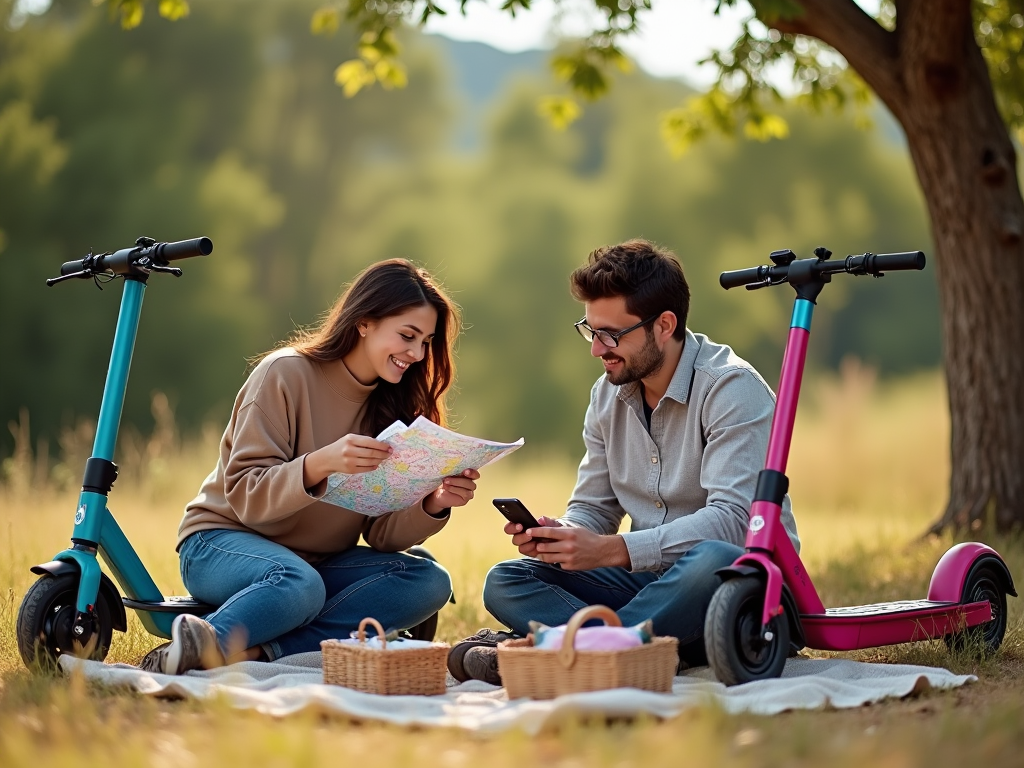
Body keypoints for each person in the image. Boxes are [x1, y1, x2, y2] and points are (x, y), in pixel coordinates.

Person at [447, 239, 799, 684]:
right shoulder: (606, 395)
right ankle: (637, 651)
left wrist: (615, 550)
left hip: (736, 591)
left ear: (664, 325)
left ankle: (562, 652)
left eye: (612, 334)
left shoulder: (731, 390)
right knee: (507, 580)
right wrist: (565, 537)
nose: (597, 349)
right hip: (649, 586)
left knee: (713, 558)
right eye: (591, 331)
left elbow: (735, 524)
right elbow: (595, 508)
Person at [141, 259, 478, 675]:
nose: (416, 353)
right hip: (221, 544)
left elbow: (380, 533)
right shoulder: (284, 374)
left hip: (316, 564)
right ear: (364, 322)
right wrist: (321, 463)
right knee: (298, 585)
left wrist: (433, 504)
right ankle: (204, 643)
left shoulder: (394, 408)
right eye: (407, 336)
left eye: (426, 341)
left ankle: (258, 652)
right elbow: (247, 494)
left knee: (429, 581)